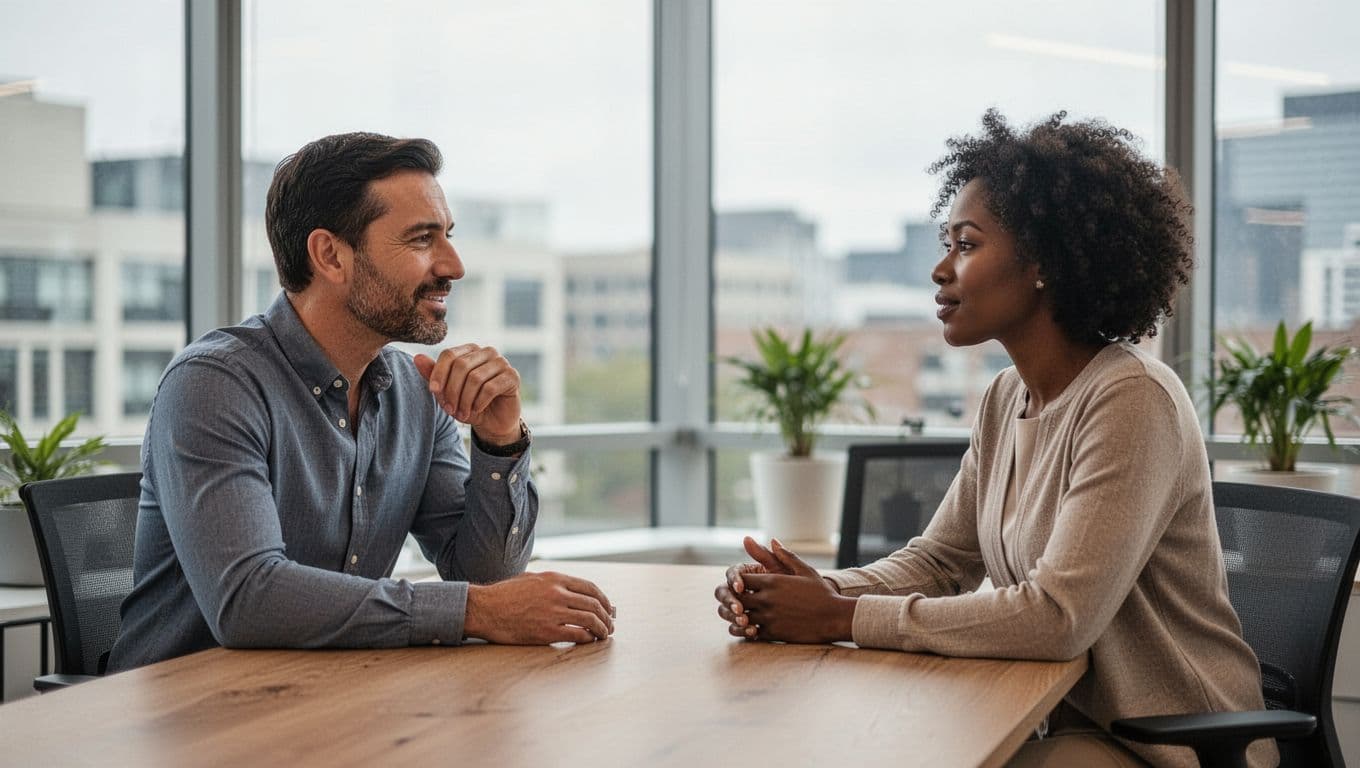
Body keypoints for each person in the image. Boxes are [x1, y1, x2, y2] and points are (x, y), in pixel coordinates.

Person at [713, 111, 1274, 768]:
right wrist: (819, 593)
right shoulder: (1005, 397)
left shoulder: (1132, 401)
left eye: (966, 245)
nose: (940, 270)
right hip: (1064, 724)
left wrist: (838, 619)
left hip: (1172, 745)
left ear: (1042, 263)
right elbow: (940, 563)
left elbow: (1057, 618)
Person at [109, 132, 614, 671]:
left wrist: (500, 439)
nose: (453, 265)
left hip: (324, 699)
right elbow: (248, 599)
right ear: (330, 255)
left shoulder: (416, 393)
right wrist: (471, 611)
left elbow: (489, 578)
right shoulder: (215, 383)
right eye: (422, 240)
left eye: (448, 235)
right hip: (182, 722)